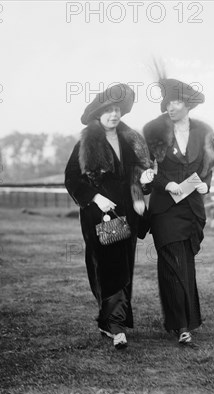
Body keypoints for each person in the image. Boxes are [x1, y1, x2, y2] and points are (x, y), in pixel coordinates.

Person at [64, 84, 154, 349]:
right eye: (108, 110)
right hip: (100, 216)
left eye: (117, 110)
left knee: (124, 265)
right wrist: (95, 197)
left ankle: (111, 322)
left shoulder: (130, 142)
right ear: (98, 114)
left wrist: (145, 182)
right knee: (109, 267)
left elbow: (138, 177)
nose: (114, 114)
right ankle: (116, 327)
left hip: (129, 212)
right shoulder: (85, 144)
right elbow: (72, 180)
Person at [143, 77, 214, 345]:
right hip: (165, 209)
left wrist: (205, 186)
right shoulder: (153, 131)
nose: (171, 107)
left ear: (188, 105)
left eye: (177, 102)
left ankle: (188, 320)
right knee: (171, 262)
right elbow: (143, 170)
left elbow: (209, 165)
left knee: (185, 263)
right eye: (168, 103)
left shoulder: (203, 132)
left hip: (191, 209)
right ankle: (181, 326)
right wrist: (167, 184)